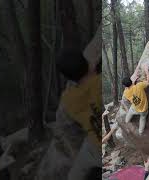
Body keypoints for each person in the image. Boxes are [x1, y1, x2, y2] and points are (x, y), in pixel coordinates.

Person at [56, 31, 101, 180]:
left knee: (74, 176)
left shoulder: (68, 100)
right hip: (107, 140)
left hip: (94, 146)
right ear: (87, 63)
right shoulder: (98, 81)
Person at [121, 63, 149, 135]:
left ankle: (127, 121)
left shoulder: (126, 92)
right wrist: (146, 70)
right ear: (132, 81)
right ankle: (140, 131)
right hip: (143, 109)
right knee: (143, 118)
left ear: (125, 86)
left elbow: (132, 81)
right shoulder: (139, 86)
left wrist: (138, 67)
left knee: (130, 112)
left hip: (135, 107)